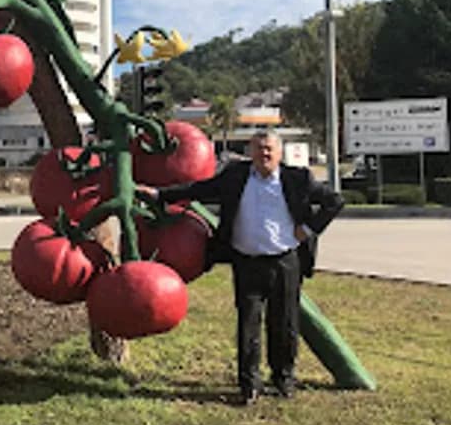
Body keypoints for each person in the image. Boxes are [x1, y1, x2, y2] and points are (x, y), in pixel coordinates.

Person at [139, 130, 344, 405]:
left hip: (284, 261)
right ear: (250, 153)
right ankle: (249, 385)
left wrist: (307, 230)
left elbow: (334, 201)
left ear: (280, 153)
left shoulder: (298, 179)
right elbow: (200, 189)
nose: (265, 154)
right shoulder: (236, 176)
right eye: (259, 149)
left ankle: (283, 379)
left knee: (284, 324)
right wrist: (161, 195)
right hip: (246, 261)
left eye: (270, 149)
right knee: (248, 325)